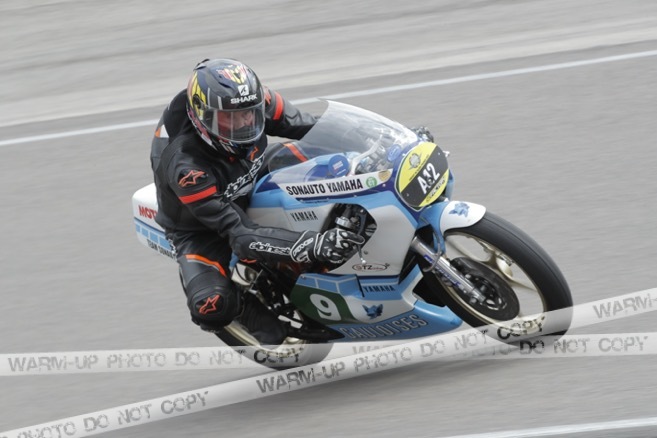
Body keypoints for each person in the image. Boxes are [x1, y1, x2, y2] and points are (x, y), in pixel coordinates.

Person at [150, 58, 365, 345]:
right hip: (201, 225)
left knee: (330, 154)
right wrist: (316, 245)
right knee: (210, 307)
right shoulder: (186, 167)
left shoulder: (254, 99)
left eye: (248, 114)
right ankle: (245, 306)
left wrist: (384, 141)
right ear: (203, 116)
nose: (243, 124)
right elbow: (240, 234)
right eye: (230, 118)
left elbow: (312, 126)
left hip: (252, 170)